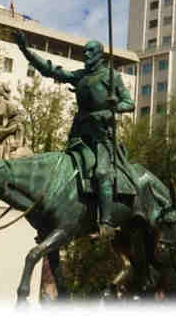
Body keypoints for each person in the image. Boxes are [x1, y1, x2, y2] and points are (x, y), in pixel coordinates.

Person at [14, 29, 135, 237]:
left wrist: (112, 109)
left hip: (101, 137)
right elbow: (51, 70)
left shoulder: (111, 77)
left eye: (90, 52)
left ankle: (106, 223)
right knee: (58, 171)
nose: (85, 55)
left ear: (99, 55)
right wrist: (25, 49)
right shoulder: (80, 77)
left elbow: (129, 103)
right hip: (79, 135)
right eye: (85, 52)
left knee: (102, 173)